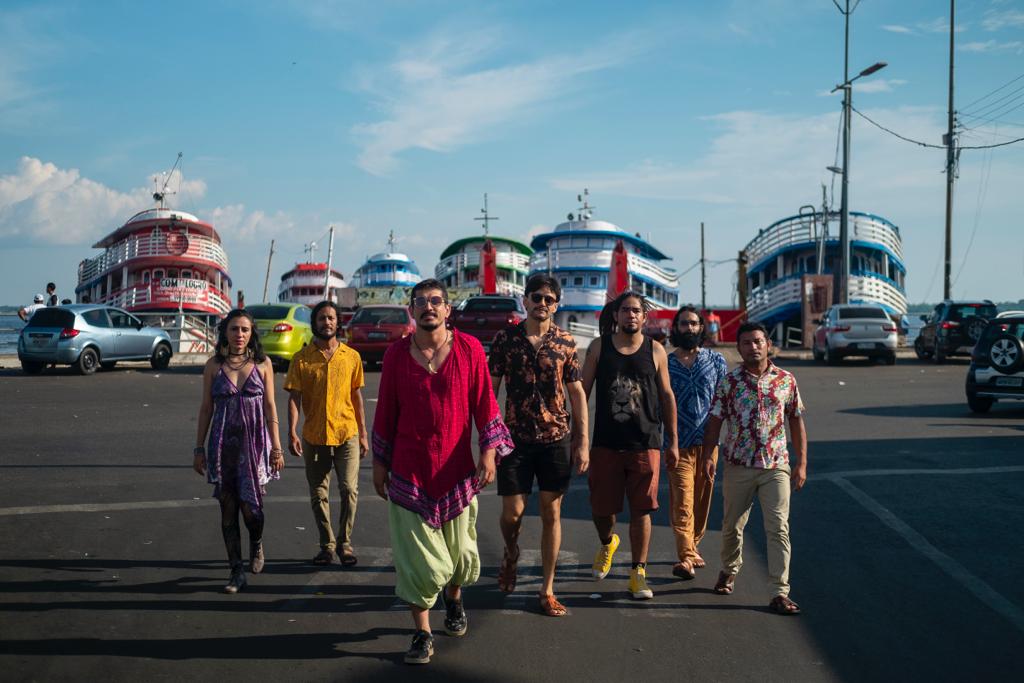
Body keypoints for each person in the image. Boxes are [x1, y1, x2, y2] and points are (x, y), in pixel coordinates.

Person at [372, 278, 513, 665]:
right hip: (408, 474)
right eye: (421, 302)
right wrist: (379, 464)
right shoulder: (397, 355)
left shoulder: (469, 350)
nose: (429, 307)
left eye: (436, 301)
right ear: (412, 310)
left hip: (457, 473)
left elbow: (485, 405)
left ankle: (453, 600)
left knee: (458, 556)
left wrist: (488, 454)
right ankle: (422, 633)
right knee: (419, 561)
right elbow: (385, 412)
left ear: (448, 310)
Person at [489, 274, 588, 618]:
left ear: (556, 304)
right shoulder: (506, 339)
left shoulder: (566, 342)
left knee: (551, 512)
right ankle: (511, 551)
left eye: (549, 298)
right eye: (536, 297)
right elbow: (492, 388)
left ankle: (547, 589)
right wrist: (488, 438)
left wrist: (582, 442)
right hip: (513, 439)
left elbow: (577, 394)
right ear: (525, 300)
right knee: (511, 514)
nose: (542, 303)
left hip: (555, 439)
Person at [703, 321, 808, 615]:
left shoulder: (786, 380)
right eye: (747, 343)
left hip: (776, 465)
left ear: (768, 344)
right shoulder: (730, 382)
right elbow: (715, 421)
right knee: (732, 527)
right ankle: (729, 568)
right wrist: (708, 457)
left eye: (758, 341)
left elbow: (796, 421)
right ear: (739, 348)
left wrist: (801, 464)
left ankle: (779, 591)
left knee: (778, 527)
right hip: (739, 465)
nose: (754, 347)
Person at [581, 290, 678, 600]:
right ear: (616, 315)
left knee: (641, 511)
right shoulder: (599, 348)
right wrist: (578, 438)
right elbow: (581, 392)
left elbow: (666, 396)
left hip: (645, 441)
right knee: (601, 511)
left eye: (636, 310)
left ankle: (638, 573)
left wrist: (672, 442)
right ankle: (608, 543)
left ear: (644, 317)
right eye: (625, 310)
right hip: (605, 442)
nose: (631, 315)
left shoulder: (657, 350)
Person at [193, 309, 284, 593]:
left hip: (255, 445)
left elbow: (270, 407)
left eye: (245, 329)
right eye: (234, 329)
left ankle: (256, 542)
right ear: (225, 332)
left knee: (252, 511)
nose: (240, 335)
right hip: (223, 445)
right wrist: (199, 448)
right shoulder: (212, 366)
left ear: (251, 333)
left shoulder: (263, 364)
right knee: (228, 509)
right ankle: (236, 571)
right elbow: (206, 408)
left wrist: (277, 447)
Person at [285, 300, 368, 567]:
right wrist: (292, 432)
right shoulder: (301, 359)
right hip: (314, 435)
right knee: (318, 494)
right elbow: (294, 398)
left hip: (347, 433)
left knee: (348, 489)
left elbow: (357, 397)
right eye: (321, 318)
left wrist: (364, 434)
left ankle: (345, 543)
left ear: (337, 322)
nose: (327, 323)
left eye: (331, 318)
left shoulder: (351, 357)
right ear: (314, 324)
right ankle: (326, 544)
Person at [665, 306, 728, 580]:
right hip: (676, 444)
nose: (688, 328)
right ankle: (686, 556)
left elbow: (725, 401)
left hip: (708, 443)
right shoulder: (665, 363)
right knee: (682, 500)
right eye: (683, 324)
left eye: (693, 324)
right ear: (675, 328)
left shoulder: (716, 361)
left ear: (701, 328)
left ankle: (693, 544)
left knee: (702, 500)